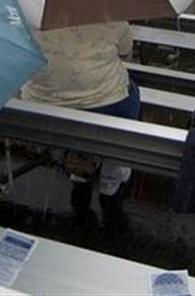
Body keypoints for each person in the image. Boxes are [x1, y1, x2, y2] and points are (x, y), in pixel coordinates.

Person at [21, 21, 139, 226]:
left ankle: (80, 173)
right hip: (105, 105)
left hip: (43, 108)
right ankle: (111, 178)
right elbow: (125, 52)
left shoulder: (26, 16)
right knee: (132, 94)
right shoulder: (110, 15)